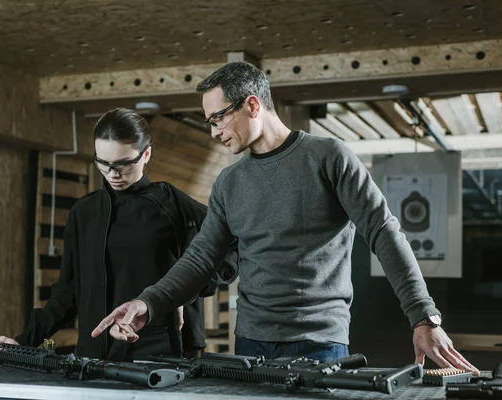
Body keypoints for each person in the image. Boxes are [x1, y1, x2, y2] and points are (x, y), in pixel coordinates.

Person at [91, 62, 478, 374]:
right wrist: (146, 303)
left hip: (320, 344)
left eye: (218, 119)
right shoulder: (229, 183)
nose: (213, 133)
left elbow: (382, 231)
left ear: (253, 105)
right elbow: (200, 259)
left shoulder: (329, 157)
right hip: (250, 344)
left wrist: (423, 316)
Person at [0, 107, 238, 361]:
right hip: (92, 355)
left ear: (146, 154)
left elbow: (229, 251)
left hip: (160, 354)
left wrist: (183, 293)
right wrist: (22, 341)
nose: (113, 174)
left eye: (123, 164)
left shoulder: (173, 205)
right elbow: (67, 293)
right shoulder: (83, 212)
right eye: (104, 164)